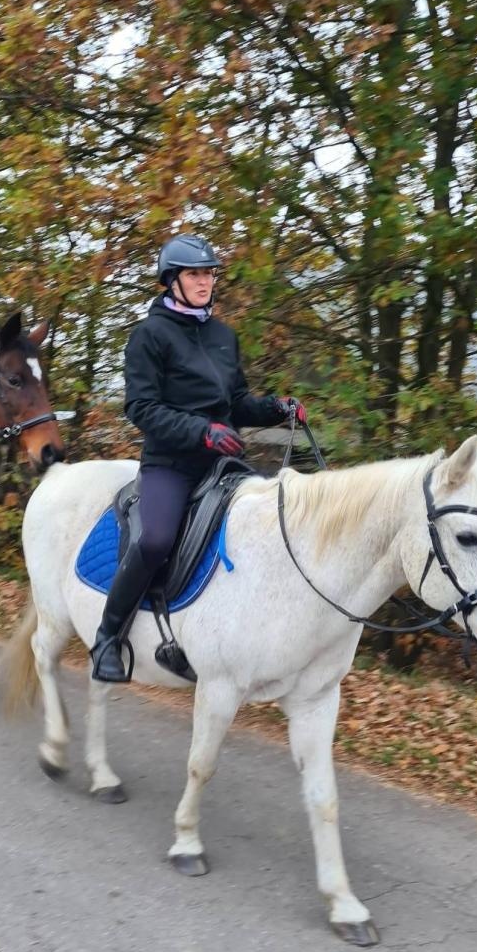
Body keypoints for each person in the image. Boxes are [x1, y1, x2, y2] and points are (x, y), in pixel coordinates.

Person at [90, 233, 307, 683]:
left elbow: (237, 402)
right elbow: (142, 409)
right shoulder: (148, 336)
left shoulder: (223, 335)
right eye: (195, 274)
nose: (205, 281)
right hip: (171, 464)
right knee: (154, 541)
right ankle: (108, 638)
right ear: (172, 280)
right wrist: (202, 433)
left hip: (224, 465)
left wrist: (276, 408)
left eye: (209, 273)